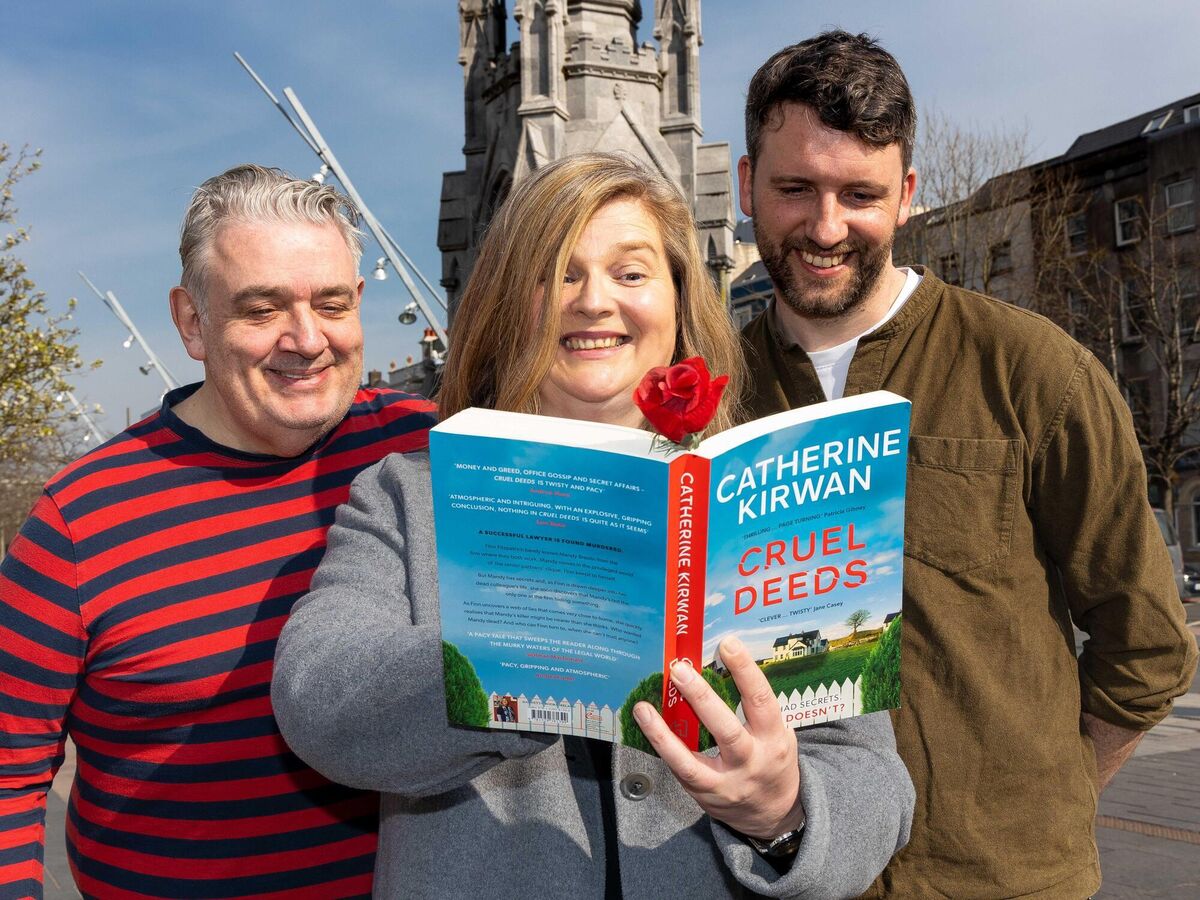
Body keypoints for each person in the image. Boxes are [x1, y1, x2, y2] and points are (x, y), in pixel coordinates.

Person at [271, 152, 914, 900]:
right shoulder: (407, 494)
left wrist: (783, 811)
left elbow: (876, 781)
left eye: (631, 273)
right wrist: (525, 651)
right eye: (559, 273)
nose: (594, 301)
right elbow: (318, 698)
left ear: (678, 300)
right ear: (514, 302)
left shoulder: (761, 495)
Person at [736, 31, 1199, 899]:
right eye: (794, 188)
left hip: (1004, 882)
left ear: (907, 195)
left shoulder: (1034, 372)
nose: (826, 227)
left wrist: (1049, 804)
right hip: (779, 880)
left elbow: (1147, 645)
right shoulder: (711, 392)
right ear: (746, 186)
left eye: (860, 194)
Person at [0, 164, 436, 898]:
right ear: (192, 322)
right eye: (261, 309)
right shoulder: (79, 522)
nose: (305, 340)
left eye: (330, 303)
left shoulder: (429, 455)